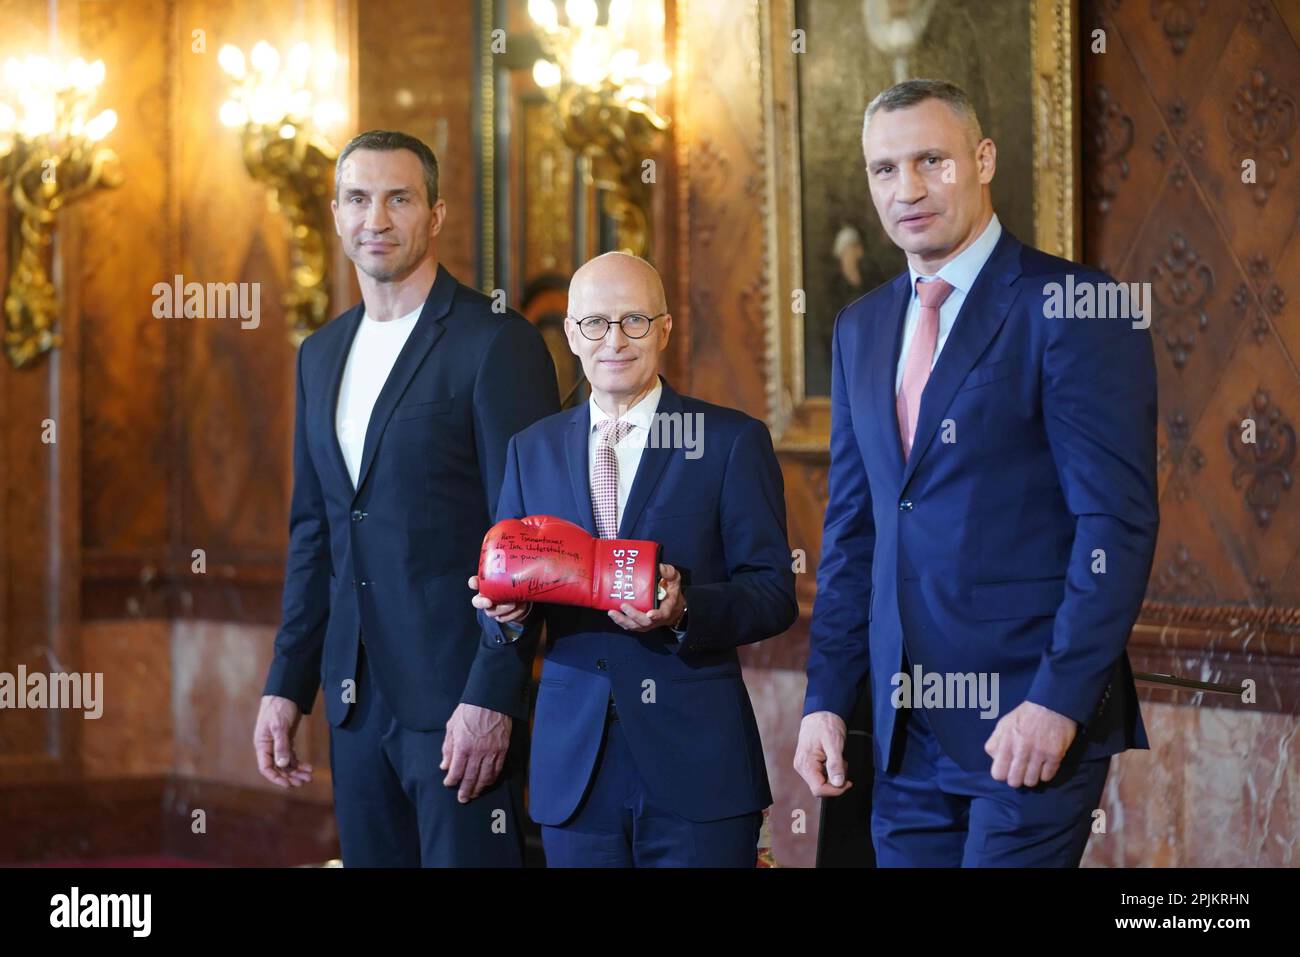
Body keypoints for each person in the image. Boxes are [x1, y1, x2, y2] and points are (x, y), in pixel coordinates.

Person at [795, 79, 1158, 867]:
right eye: (885, 169)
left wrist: (1058, 700)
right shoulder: (860, 328)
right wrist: (826, 697)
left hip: (1026, 725)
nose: (909, 188)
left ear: (983, 158)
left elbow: (1115, 526)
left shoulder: (1072, 304)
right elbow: (854, 532)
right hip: (902, 735)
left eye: (932, 160)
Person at [253, 130, 559, 866]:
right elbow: (316, 535)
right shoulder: (319, 354)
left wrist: (494, 696)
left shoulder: (496, 344)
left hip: (458, 702)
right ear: (334, 213)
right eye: (358, 199)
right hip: (354, 700)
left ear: (436, 213)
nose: (376, 219)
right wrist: (287, 684)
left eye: (398, 198)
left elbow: (530, 541)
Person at [469, 252, 797, 867]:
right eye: (595, 323)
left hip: (699, 763)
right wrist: (505, 614)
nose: (614, 340)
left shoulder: (729, 441)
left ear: (665, 328)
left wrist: (684, 609)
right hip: (576, 768)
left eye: (635, 321)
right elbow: (506, 602)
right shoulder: (529, 450)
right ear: (571, 333)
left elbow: (773, 592)